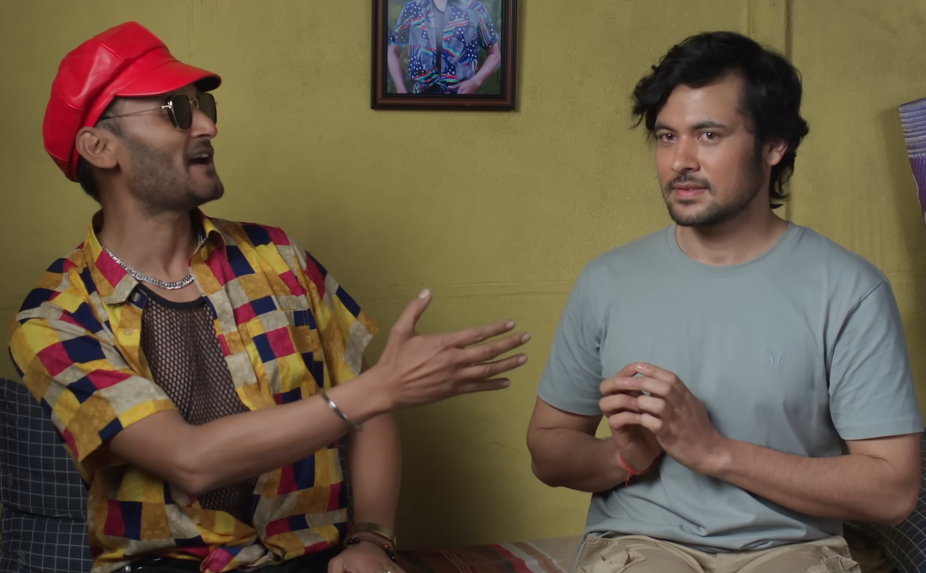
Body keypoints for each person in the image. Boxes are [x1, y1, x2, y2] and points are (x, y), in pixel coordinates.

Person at [8, 21, 529, 573]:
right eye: (176, 111)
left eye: (204, 105)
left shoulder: (277, 257)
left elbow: (371, 411)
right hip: (168, 564)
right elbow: (189, 460)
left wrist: (372, 540)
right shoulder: (54, 317)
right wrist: (380, 387)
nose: (207, 124)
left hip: (314, 558)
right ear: (98, 147)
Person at [526, 31, 922, 573]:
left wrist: (715, 451)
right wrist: (624, 456)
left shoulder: (850, 290)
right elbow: (547, 451)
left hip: (791, 550)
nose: (680, 160)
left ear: (774, 145)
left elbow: (893, 490)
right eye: (667, 136)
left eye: (708, 135)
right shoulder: (607, 281)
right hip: (642, 543)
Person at [387, 0, 501, 95]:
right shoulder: (412, 8)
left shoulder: (475, 8)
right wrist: (400, 88)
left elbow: (494, 54)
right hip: (421, 96)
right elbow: (393, 52)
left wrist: (475, 82)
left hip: (462, 96)